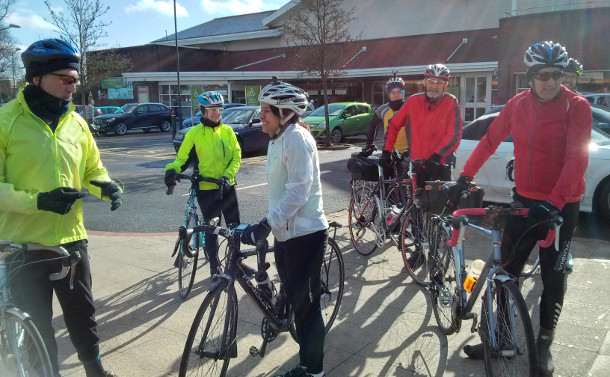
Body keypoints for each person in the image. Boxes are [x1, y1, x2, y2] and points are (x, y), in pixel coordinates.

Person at [449, 41, 591, 376]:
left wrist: (554, 204)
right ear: (530, 76)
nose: (550, 82)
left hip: (561, 207)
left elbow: (577, 158)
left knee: (553, 274)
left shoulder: (577, 106)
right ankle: (497, 336)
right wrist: (464, 177)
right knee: (503, 271)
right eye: (543, 75)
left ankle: (543, 345)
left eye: (556, 75)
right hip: (525, 201)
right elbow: (489, 141)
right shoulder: (517, 104)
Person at [0, 39, 123, 377]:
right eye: (66, 79)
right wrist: (38, 201)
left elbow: (91, 170)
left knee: (82, 314)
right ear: (36, 78)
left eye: (76, 80)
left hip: (70, 239)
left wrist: (107, 186)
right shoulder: (5, 121)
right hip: (22, 245)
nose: (73, 86)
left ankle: (95, 370)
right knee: (36, 327)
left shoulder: (76, 122)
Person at [241, 78, 329, 377]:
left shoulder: (296, 139)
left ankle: (312, 370)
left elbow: (298, 191)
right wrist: (272, 224)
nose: (261, 115)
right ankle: (305, 359)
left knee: (307, 309)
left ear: (285, 112)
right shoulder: (279, 137)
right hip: (286, 233)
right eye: (262, 109)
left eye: (266, 110)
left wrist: (267, 222)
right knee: (294, 298)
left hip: (305, 234)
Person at [164, 91, 241, 276]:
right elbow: (181, 159)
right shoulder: (194, 134)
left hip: (227, 186)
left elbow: (236, 157)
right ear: (203, 111)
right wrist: (171, 170)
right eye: (212, 109)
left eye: (219, 109)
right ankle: (215, 269)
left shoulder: (228, 131)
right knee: (212, 229)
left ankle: (235, 263)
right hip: (206, 189)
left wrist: (227, 175)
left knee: (234, 228)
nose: (217, 113)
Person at [380, 63, 462, 185]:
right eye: (431, 82)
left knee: (439, 202)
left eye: (439, 83)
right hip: (418, 165)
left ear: (445, 85)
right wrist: (387, 151)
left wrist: (437, 156)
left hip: (440, 164)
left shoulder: (451, 102)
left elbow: (454, 134)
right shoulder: (413, 101)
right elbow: (394, 124)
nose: (434, 86)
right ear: (424, 83)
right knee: (417, 201)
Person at [358, 76, 407, 157]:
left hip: (407, 153)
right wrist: (369, 143)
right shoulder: (383, 109)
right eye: (393, 92)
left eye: (399, 92)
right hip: (388, 152)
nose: (396, 95)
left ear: (403, 93)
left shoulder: (410, 107)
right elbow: (372, 124)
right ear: (388, 94)